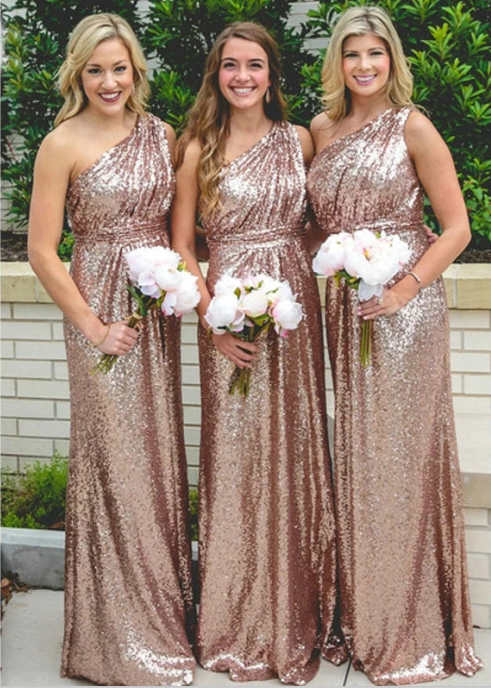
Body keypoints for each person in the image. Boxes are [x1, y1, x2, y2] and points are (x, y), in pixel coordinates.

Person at [306, 5, 482, 685]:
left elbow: (457, 227)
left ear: (392, 60)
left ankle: (406, 627)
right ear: (337, 63)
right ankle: (365, 614)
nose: (364, 66)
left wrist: (405, 289)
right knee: (357, 457)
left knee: (397, 463)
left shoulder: (414, 125)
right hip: (343, 308)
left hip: (402, 309)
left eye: (375, 54)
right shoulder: (321, 129)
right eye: (352, 55)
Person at [171, 21, 342, 685]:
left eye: (255, 66)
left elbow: (319, 225)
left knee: (293, 455)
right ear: (216, 75)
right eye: (231, 67)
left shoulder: (297, 141)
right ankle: (234, 619)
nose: (242, 77)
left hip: (293, 313)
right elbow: (184, 245)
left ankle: (294, 612)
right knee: (236, 461)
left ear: (272, 75)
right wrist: (213, 320)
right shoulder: (197, 148)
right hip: (229, 315)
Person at [28, 13, 196, 686]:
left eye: (119, 68)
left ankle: (157, 618)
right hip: (98, 305)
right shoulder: (60, 143)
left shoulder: (162, 136)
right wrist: (94, 328)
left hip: (155, 309)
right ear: (78, 73)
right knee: (114, 460)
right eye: (95, 69)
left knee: (155, 459)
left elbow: (188, 227)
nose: (108, 81)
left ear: (136, 72)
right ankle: (112, 637)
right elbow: (42, 251)